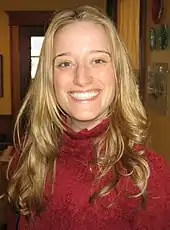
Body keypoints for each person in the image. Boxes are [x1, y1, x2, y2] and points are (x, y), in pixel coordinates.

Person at [6, 5, 170, 230]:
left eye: (98, 60)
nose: (81, 78)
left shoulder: (148, 176)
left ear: (118, 72)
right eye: (65, 63)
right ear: (49, 79)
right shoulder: (29, 156)